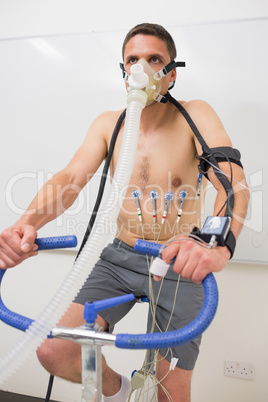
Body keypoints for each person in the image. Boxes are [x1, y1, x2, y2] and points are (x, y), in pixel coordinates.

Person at [0, 23, 249, 401]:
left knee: (171, 393)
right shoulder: (110, 124)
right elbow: (69, 179)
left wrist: (216, 244)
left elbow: (231, 180)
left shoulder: (195, 115)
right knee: (57, 349)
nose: (141, 69)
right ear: (123, 69)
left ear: (171, 73)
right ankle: (119, 391)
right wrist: (24, 226)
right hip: (120, 256)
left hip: (177, 261)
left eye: (154, 59)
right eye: (132, 59)